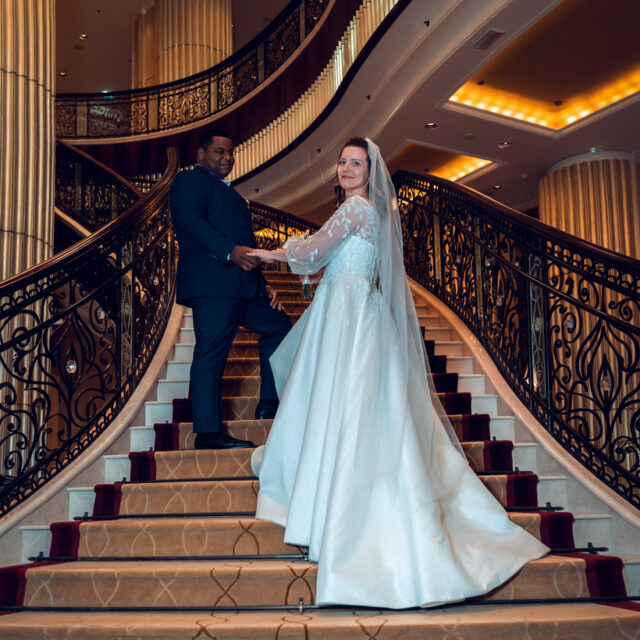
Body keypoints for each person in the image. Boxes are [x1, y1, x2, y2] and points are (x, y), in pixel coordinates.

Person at [248, 137, 548, 608]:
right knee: (344, 407)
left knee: (344, 407)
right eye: (342, 162)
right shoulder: (361, 213)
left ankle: (338, 514)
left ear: (370, 173)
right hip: (347, 312)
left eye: (356, 164)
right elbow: (328, 259)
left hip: (348, 319)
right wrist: (309, 266)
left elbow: (311, 251)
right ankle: (326, 499)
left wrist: (267, 255)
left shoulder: (358, 209)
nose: (346, 169)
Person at [169, 128, 291, 449]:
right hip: (213, 282)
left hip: (244, 284)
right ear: (200, 154)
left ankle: (268, 401)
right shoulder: (188, 181)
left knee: (278, 325)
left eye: (229, 152)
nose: (226, 158)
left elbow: (246, 245)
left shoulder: (233, 194)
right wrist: (228, 251)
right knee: (211, 353)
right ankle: (207, 433)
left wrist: (264, 285)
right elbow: (190, 224)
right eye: (219, 151)